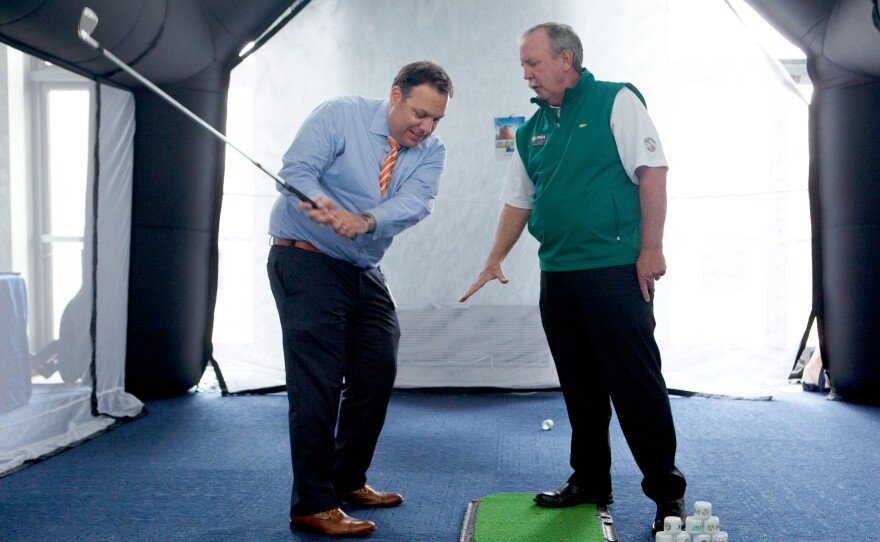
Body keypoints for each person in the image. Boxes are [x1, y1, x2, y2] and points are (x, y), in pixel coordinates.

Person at [459, 23, 686, 533]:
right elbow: (519, 199)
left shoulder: (616, 100)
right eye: (523, 65)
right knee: (580, 388)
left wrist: (651, 247)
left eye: (533, 63)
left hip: (615, 273)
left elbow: (652, 170)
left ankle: (666, 495)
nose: (526, 74)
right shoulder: (530, 129)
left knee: (635, 386)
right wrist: (494, 257)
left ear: (566, 60)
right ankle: (589, 481)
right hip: (558, 277)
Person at [267, 61, 453, 537]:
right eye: (418, 113)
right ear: (395, 95)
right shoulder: (340, 114)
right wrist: (317, 201)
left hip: (362, 269)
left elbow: (417, 201)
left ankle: (346, 480)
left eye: (435, 119)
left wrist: (365, 219)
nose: (425, 126)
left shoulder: (430, 150)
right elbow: (296, 171)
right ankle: (311, 503)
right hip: (306, 259)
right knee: (319, 382)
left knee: (376, 370)